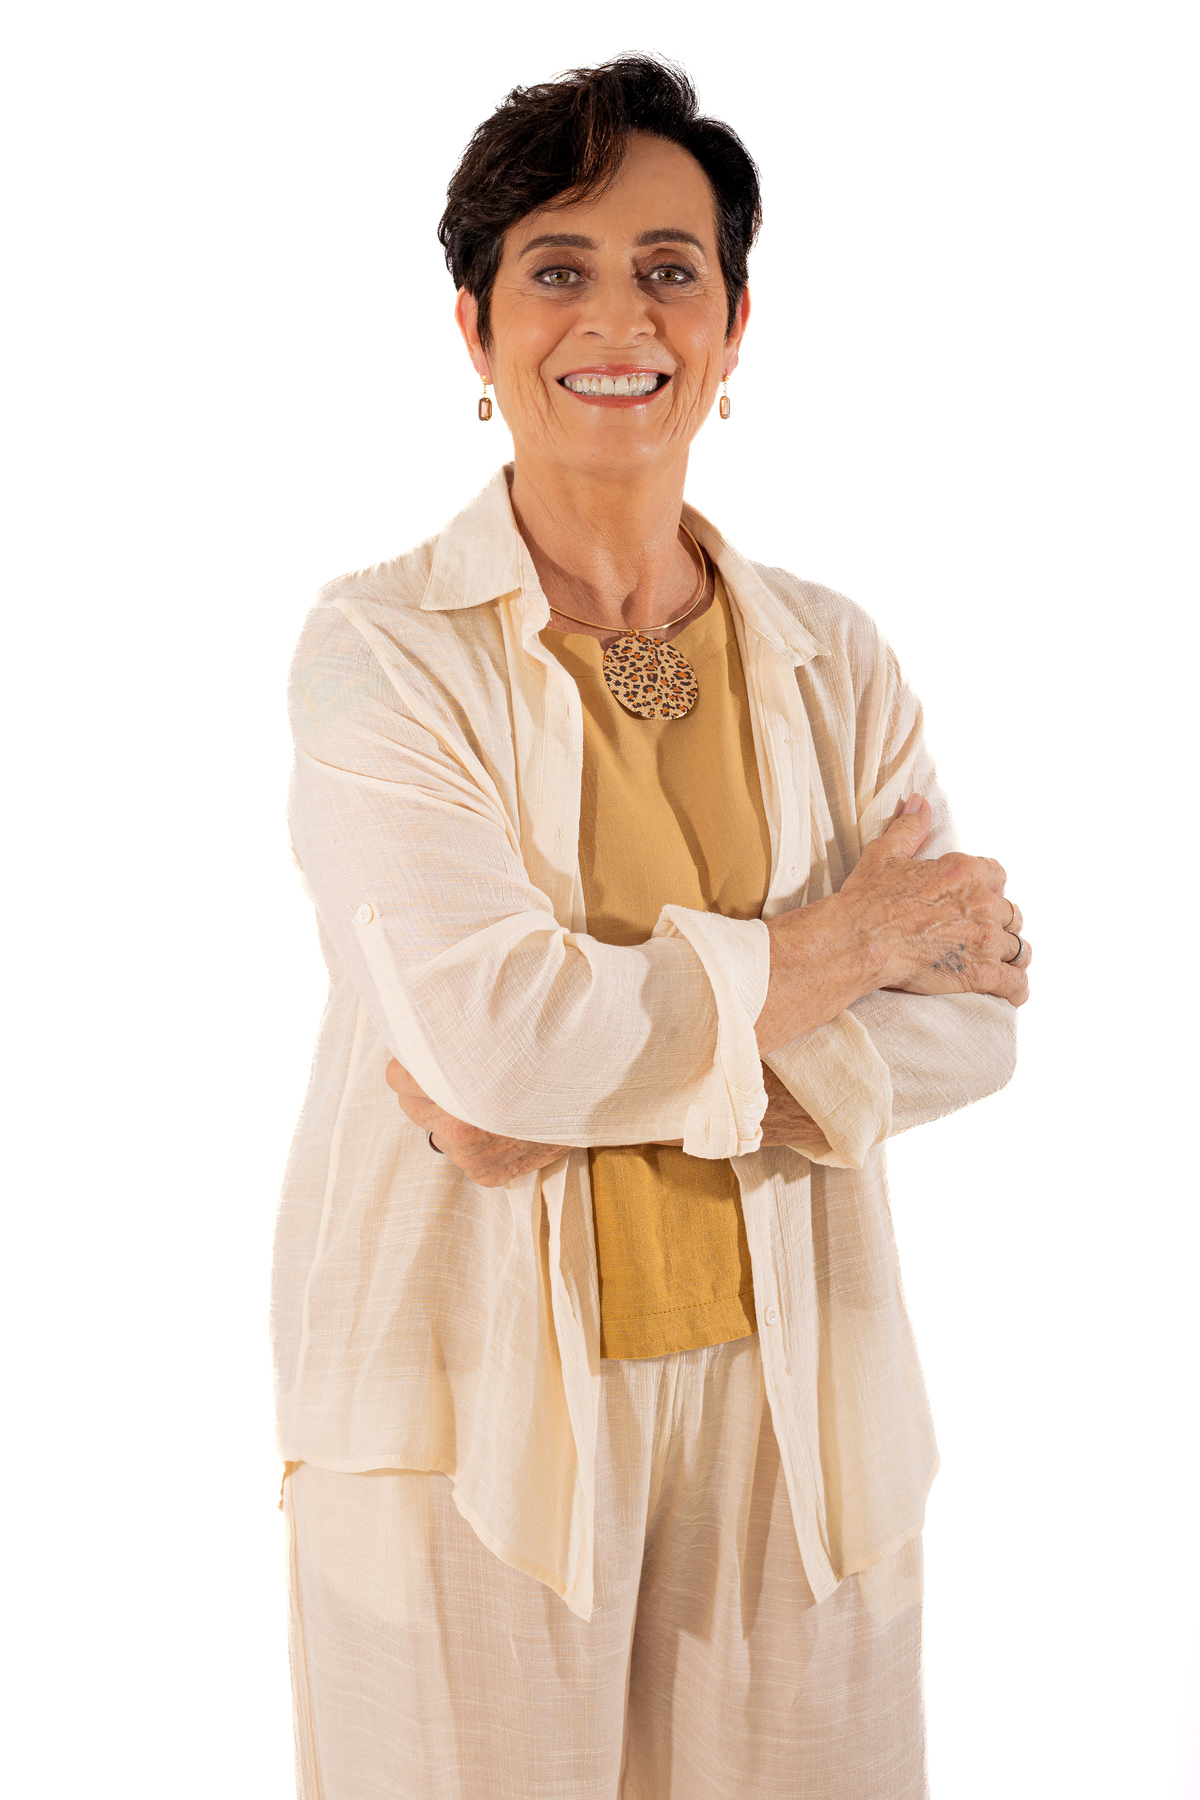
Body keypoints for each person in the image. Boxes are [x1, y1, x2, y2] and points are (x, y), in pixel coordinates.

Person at [273, 54, 1030, 1800]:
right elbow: (497, 1039)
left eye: (669, 268)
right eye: (558, 267)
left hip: (799, 1400)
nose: (618, 316)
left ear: (734, 325)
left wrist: (585, 1094)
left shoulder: (836, 657)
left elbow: (975, 1017)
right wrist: (849, 947)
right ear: (476, 332)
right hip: (465, 1405)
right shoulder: (377, 653)